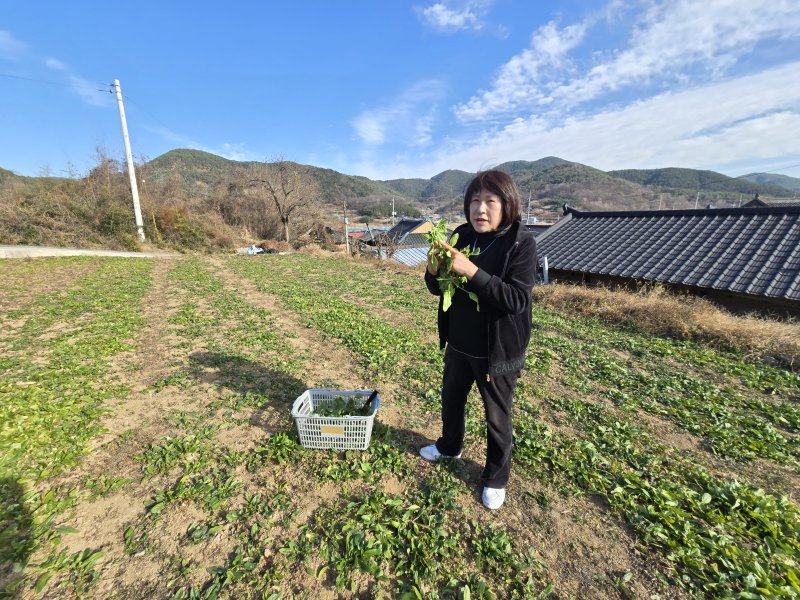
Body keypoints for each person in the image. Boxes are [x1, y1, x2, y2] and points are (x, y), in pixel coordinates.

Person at [421, 169, 537, 510]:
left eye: (490, 201)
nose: (480, 209)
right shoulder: (461, 235)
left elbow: (516, 300)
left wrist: (470, 270)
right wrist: (432, 269)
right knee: (451, 400)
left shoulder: (520, 242)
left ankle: (496, 477)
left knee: (497, 416)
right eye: (474, 201)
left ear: (507, 204)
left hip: (496, 351)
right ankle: (449, 446)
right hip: (458, 343)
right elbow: (437, 288)